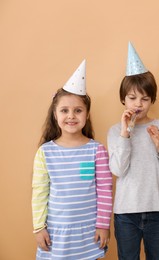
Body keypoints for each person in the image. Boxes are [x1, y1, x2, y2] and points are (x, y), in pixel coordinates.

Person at [107, 42, 159, 260]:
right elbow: (118, 170)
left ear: (152, 100)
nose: (138, 104)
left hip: (157, 211)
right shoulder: (115, 131)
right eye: (132, 98)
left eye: (145, 99)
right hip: (125, 213)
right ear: (123, 99)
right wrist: (125, 134)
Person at [31, 60, 113, 259]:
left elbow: (105, 190)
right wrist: (38, 227)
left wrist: (103, 225)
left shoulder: (97, 150)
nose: (71, 116)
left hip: (88, 235)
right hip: (56, 235)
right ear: (55, 113)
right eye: (64, 110)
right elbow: (40, 191)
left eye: (78, 110)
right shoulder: (45, 152)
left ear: (87, 114)